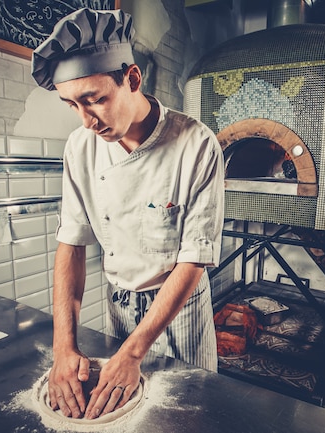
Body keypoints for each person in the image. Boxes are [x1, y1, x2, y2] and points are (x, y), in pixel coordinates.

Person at [31, 9, 225, 420]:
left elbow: (193, 260)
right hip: (120, 308)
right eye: (72, 105)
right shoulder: (80, 148)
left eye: (95, 99)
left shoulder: (196, 144)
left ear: (132, 79)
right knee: (131, 421)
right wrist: (63, 346)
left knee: (189, 415)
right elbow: (72, 243)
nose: (87, 121)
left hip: (182, 313)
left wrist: (133, 352)